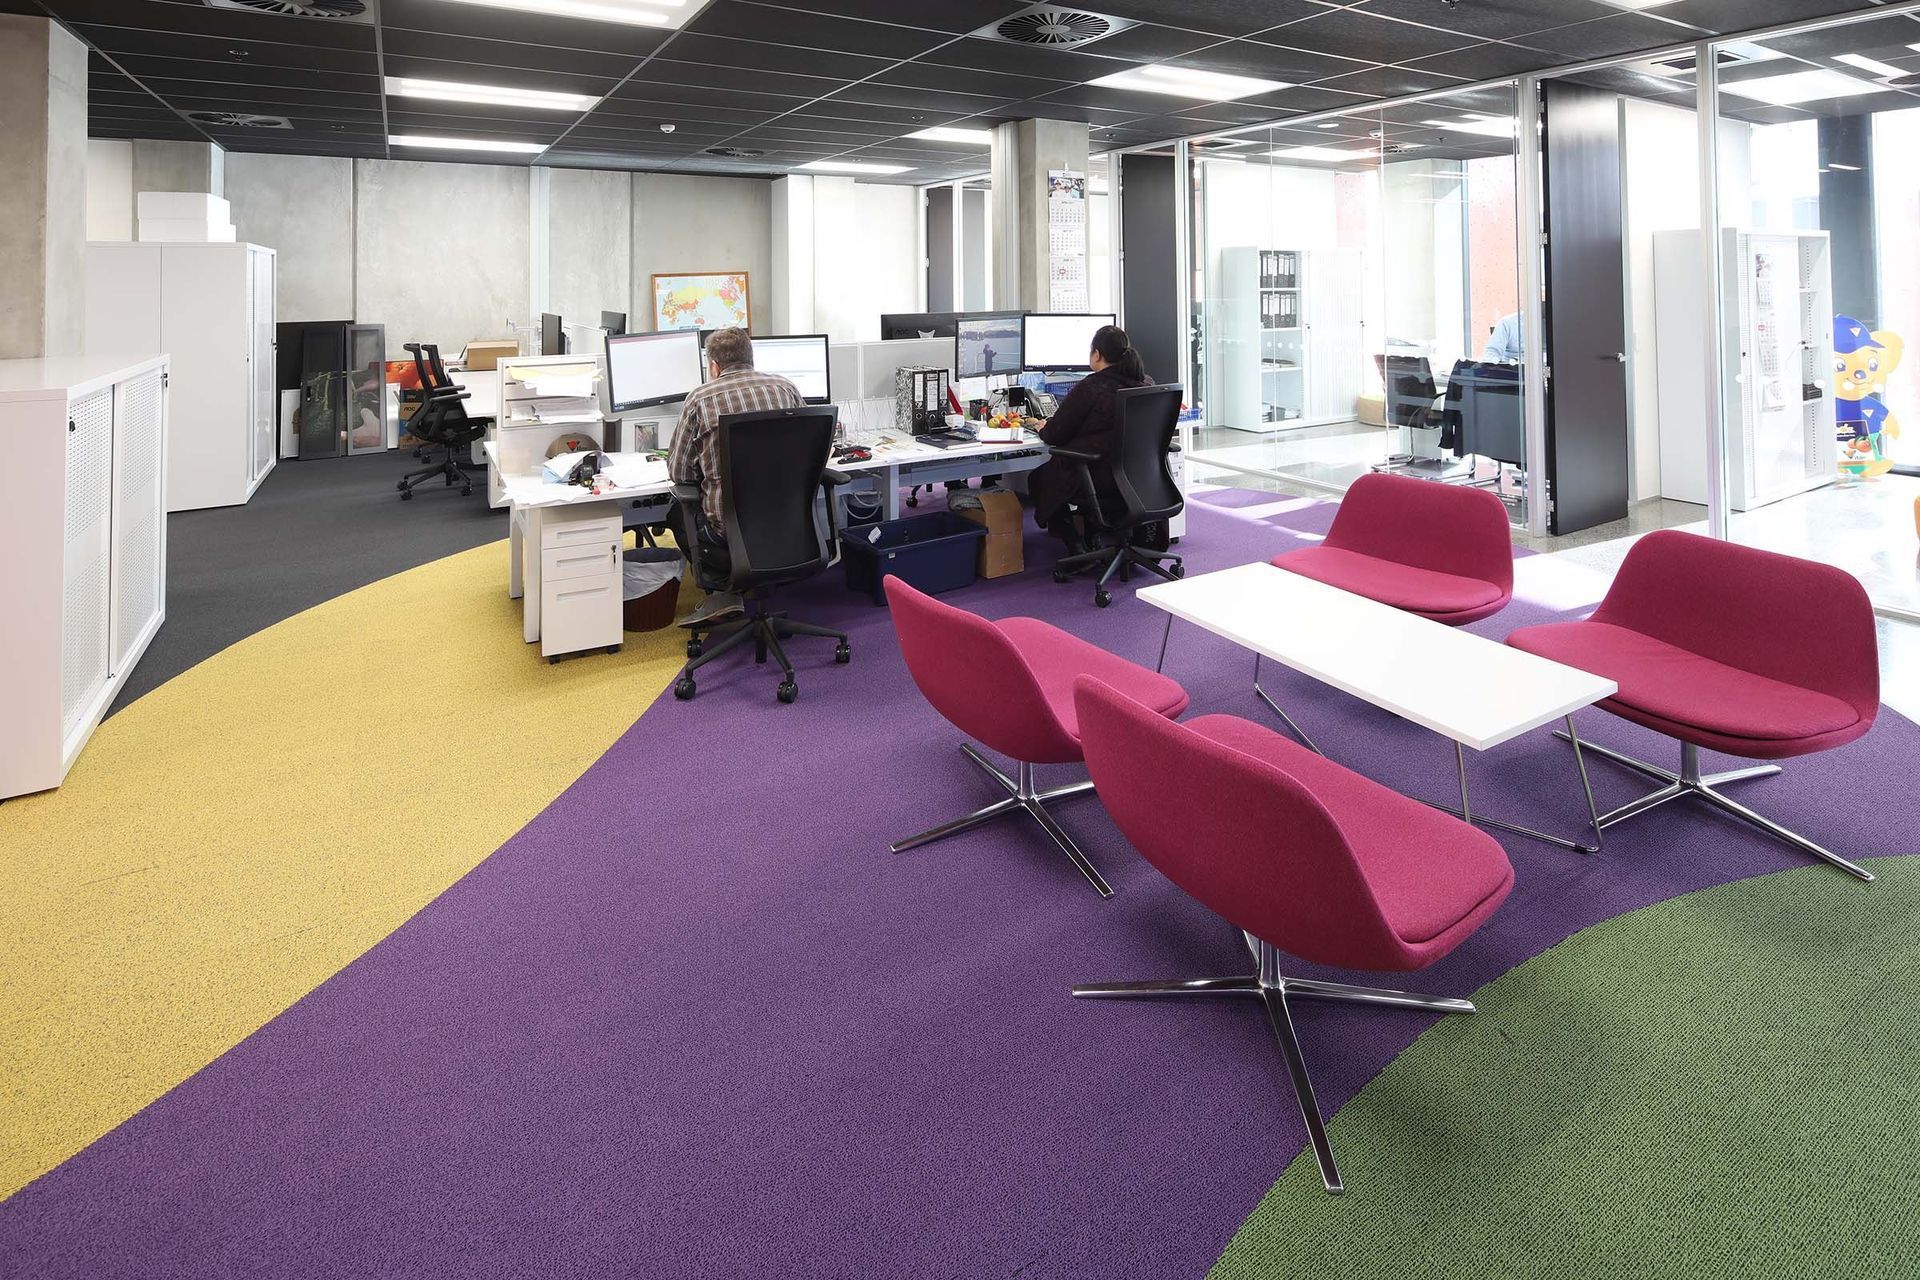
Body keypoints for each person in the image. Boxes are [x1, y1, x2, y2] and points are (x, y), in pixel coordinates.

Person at [667, 326, 806, 628]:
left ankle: (723, 591)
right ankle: (757, 584)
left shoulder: (699, 399)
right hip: (789, 522)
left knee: (676, 512)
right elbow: (809, 452)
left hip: (726, 531)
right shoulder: (786, 389)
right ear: (751, 358)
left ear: (714, 366)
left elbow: (679, 473)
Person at [1026, 324, 1152, 552]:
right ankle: (1094, 533)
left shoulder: (1091, 387)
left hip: (1098, 478)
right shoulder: (1146, 383)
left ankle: (1076, 546)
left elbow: (1055, 434)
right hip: (1140, 477)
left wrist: (1042, 426)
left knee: (1039, 478)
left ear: (1097, 354)